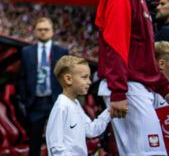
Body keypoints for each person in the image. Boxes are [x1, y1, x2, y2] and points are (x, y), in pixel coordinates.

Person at [95, 0, 169, 156]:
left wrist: (163, 87)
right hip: (129, 88)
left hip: (135, 86)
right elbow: (116, 44)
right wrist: (119, 92)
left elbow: (143, 51)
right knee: (149, 153)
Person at [17, 17, 68, 156]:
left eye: (46, 29)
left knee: (58, 141)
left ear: (52, 31)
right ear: (35, 32)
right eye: (40, 30)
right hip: (35, 102)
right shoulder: (27, 51)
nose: (43, 32)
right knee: (34, 142)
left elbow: (66, 78)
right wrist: (25, 99)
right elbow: (22, 77)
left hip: (55, 101)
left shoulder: (61, 52)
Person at [45, 55, 110, 156]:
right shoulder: (61, 106)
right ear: (68, 79)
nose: (89, 82)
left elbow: (91, 130)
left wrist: (110, 111)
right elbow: (55, 145)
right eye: (84, 77)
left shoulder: (75, 104)